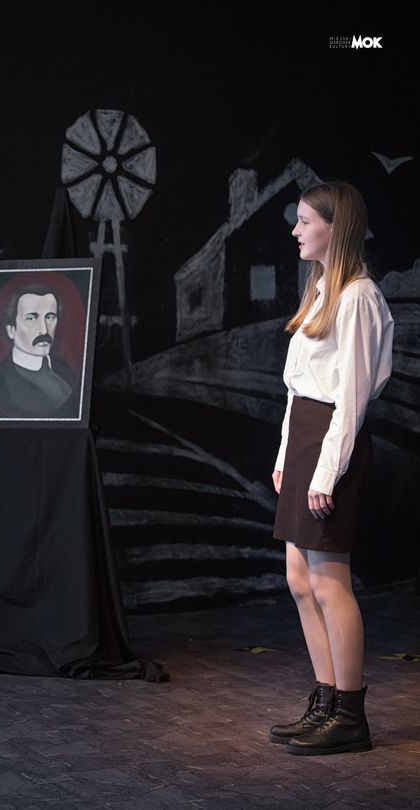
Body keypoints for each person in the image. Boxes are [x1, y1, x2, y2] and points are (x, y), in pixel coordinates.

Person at [270, 181, 394, 756]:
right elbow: (297, 391)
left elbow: (351, 398)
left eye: (304, 221)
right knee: (300, 581)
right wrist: (283, 459)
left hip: (331, 444)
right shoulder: (321, 289)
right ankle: (324, 703)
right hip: (304, 441)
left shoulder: (359, 296)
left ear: (334, 227)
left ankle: (349, 715)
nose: (295, 230)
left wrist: (325, 474)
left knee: (328, 581)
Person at [0, 283, 81, 419]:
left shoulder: (66, 370)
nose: (44, 330)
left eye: (50, 317)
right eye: (31, 318)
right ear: (11, 330)